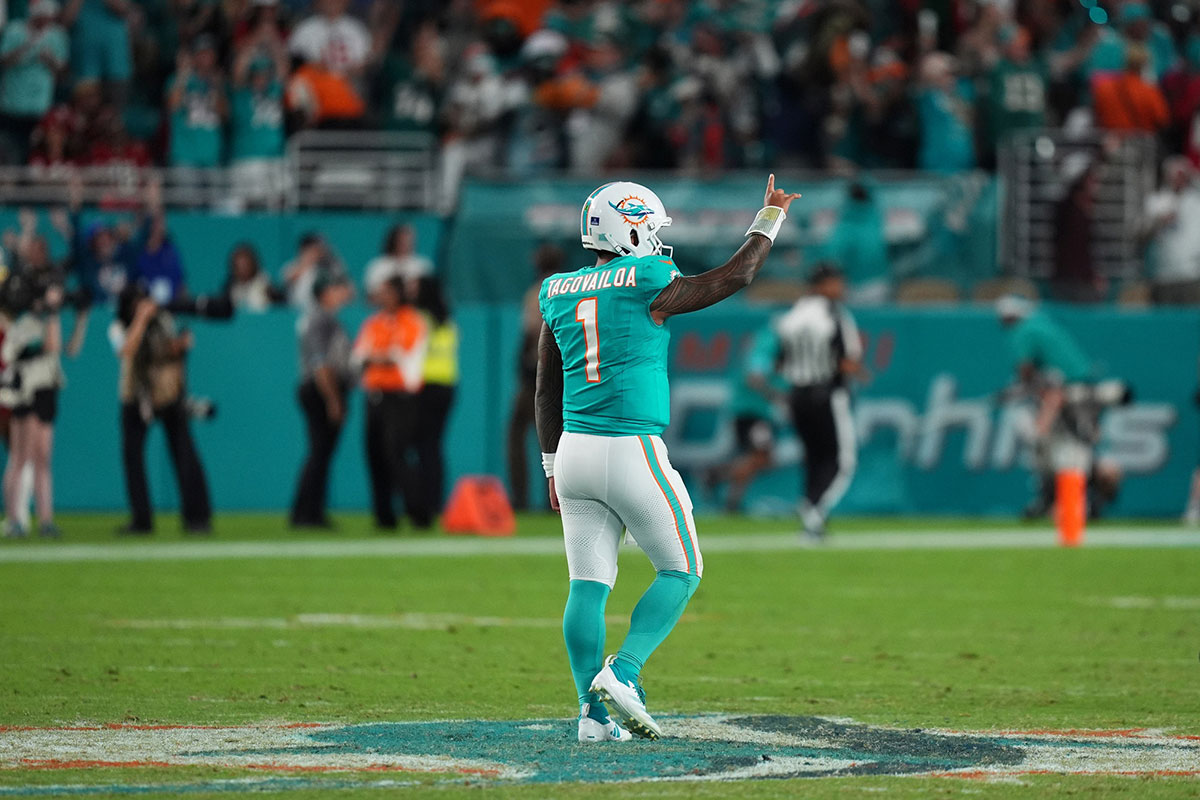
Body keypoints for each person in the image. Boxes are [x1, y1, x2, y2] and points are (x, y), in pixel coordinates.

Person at [536, 175, 801, 741]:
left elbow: (544, 388)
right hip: (630, 446)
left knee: (587, 585)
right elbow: (735, 277)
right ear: (629, 228)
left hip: (574, 450)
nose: (656, 240)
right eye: (650, 229)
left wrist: (552, 465)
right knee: (682, 570)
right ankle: (624, 673)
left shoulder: (555, 288)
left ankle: (591, 714)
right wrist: (769, 219)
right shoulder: (647, 278)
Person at [996, 295, 1123, 519]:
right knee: (1068, 447)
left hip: (1070, 396)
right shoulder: (1043, 325)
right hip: (1081, 393)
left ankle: (1075, 499)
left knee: (1063, 447)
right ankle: (1063, 499)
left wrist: (1021, 390)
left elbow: (1027, 371)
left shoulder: (1024, 330)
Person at [110, 284, 211, 534]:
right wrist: (141, 320)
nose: (142, 306)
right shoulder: (118, 327)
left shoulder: (163, 321)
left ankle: (197, 518)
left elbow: (171, 350)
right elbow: (127, 349)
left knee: (185, 454)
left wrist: (181, 344)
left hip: (165, 394)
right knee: (133, 458)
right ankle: (141, 520)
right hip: (135, 396)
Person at [774, 263, 863, 541]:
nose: (842, 288)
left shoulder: (792, 315)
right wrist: (860, 373)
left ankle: (810, 508)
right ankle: (814, 510)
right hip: (827, 393)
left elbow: (779, 362)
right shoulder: (834, 315)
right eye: (837, 282)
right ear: (824, 284)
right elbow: (848, 360)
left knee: (814, 459)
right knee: (841, 461)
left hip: (796, 396)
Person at [350, 276, 427, 529]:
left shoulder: (412, 321)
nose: (382, 297)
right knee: (374, 455)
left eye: (387, 292)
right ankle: (384, 517)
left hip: (400, 398)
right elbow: (359, 357)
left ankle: (418, 512)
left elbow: (399, 357)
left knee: (397, 453)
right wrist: (378, 357)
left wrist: (377, 357)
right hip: (375, 397)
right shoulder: (374, 323)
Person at [290, 270, 354, 529]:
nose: (342, 292)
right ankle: (307, 513)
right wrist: (333, 399)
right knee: (320, 452)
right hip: (321, 390)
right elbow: (320, 363)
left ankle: (310, 511)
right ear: (325, 293)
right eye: (336, 288)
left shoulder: (324, 319)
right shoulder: (321, 320)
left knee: (321, 453)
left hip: (320, 389)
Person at [702, 322, 789, 513]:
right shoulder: (768, 342)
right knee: (761, 457)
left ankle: (732, 501)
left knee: (755, 459)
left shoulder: (772, 344)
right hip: (751, 412)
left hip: (755, 411)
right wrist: (775, 395)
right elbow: (754, 377)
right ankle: (715, 476)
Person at [508, 242, 565, 510]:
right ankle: (556, 496)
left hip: (539, 373)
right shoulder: (569, 287)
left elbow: (532, 332)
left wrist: (523, 364)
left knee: (522, 432)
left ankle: (524, 497)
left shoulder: (538, 292)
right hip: (567, 372)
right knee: (559, 435)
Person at [0, 0, 70, 164]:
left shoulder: (57, 35)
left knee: (37, 153)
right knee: (12, 151)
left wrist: (50, 60)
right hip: (13, 104)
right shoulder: (14, 30)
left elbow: (63, 73)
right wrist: (26, 46)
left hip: (41, 105)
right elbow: (4, 62)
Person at [413, 276, 456, 516]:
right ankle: (435, 500)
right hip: (447, 386)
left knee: (423, 447)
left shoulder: (420, 319)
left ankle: (425, 502)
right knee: (435, 447)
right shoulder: (447, 320)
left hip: (425, 386)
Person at [362, 224, 433, 304]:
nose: (405, 243)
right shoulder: (377, 266)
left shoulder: (423, 266)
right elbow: (371, 297)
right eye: (401, 239)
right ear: (394, 240)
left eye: (408, 240)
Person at [222, 242, 284, 312]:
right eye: (239, 266)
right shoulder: (230, 287)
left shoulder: (265, 284)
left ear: (253, 264)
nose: (243, 269)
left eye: (246, 265)